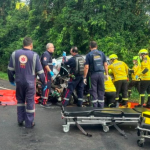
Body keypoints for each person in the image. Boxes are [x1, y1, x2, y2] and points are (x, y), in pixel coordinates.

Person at [7, 37, 46, 128]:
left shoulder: (14, 54)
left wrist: (11, 80)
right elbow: (40, 71)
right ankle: (29, 123)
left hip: (19, 82)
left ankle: (20, 120)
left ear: (23, 44)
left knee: (20, 101)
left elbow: (10, 70)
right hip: (30, 83)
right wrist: (44, 82)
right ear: (31, 45)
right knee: (30, 102)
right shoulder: (34, 55)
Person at [83, 41, 108, 108]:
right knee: (101, 90)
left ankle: (95, 107)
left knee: (93, 90)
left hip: (93, 75)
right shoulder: (102, 54)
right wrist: (107, 74)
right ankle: (101, 107)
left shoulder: (89, 55)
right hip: (101, 74)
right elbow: (105, 65)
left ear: (90, 47)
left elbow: (86, 67)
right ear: (96, 46)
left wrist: (85, 77)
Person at [40, 43, 55, 108]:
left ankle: (45, 100)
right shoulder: (46, 54)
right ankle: (43, 102)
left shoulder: (49, 55)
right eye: (52, 47)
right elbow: (45, 64)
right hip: (46, 74)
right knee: (46, 87)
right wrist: (50, 72)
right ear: (48, 48)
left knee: (48, 87)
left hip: (48, 75)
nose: (53, 48)